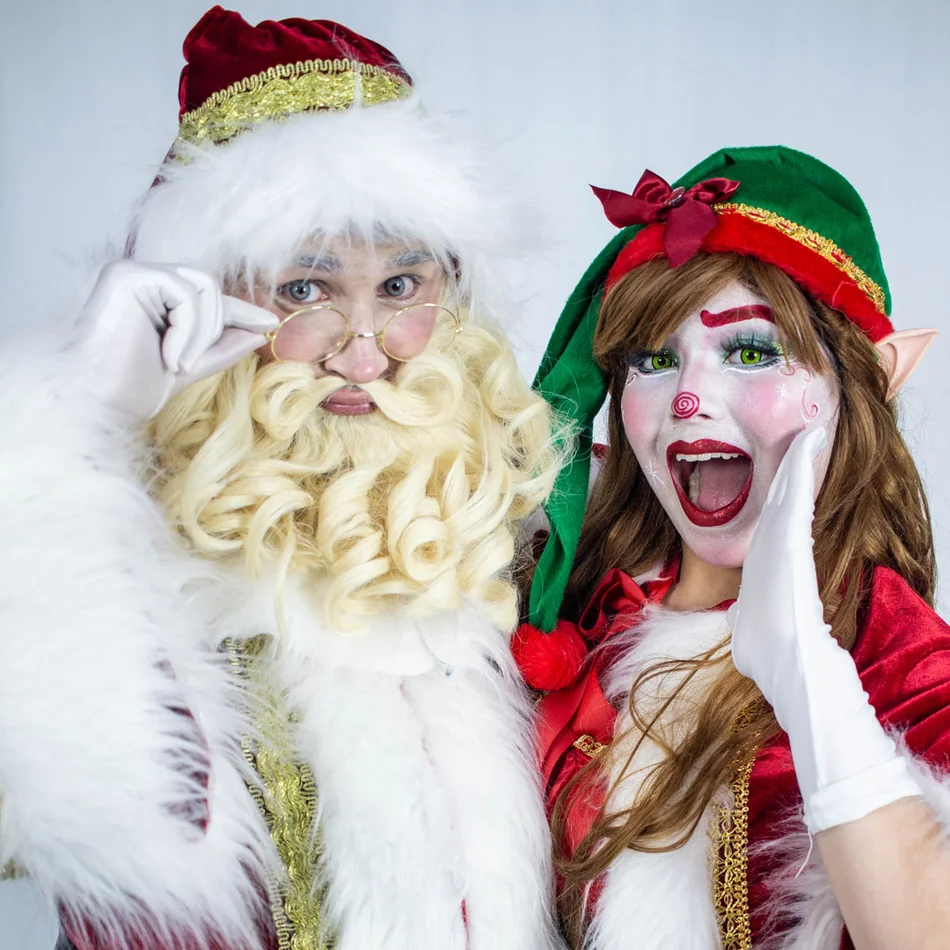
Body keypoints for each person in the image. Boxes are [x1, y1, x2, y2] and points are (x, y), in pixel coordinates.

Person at [0, 8, 567, 950]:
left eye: (399, 287)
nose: (362, 354)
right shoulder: (127, 571)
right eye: (305, 289)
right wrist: (78, 425)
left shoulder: (515, 559)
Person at [512, 146, 950, 948]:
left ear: (871, 380)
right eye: (654, 358)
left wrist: (802, 665)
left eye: (750, 351)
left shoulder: (899, 655)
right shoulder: (573, 603)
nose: (686, 397)